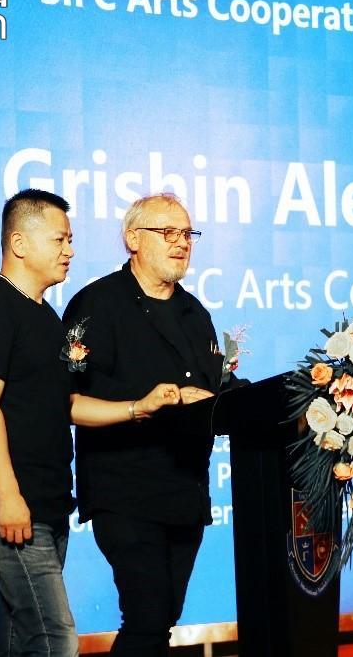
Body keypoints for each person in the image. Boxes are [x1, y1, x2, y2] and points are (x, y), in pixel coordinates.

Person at [0, 188, 181, 656]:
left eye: (70, 240)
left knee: (18, 643)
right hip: (12, 508)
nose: (70, 251)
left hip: (50, 505)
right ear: (19, 243)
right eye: (60, 240)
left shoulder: (46, 316)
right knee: (56, 641)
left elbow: (67, 404)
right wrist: (8, 495)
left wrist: (139, 407)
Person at [63, 193, 238, 656]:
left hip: (185, 491)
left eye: (187, 233)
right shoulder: (96, 304)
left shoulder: (195, 313)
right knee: (147, 617)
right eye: (168, 232)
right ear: (132, 239)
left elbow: (220, 387)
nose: (181, 242)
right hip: (125, 491)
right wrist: (150, 402)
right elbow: (67, 397)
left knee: (162, 619)